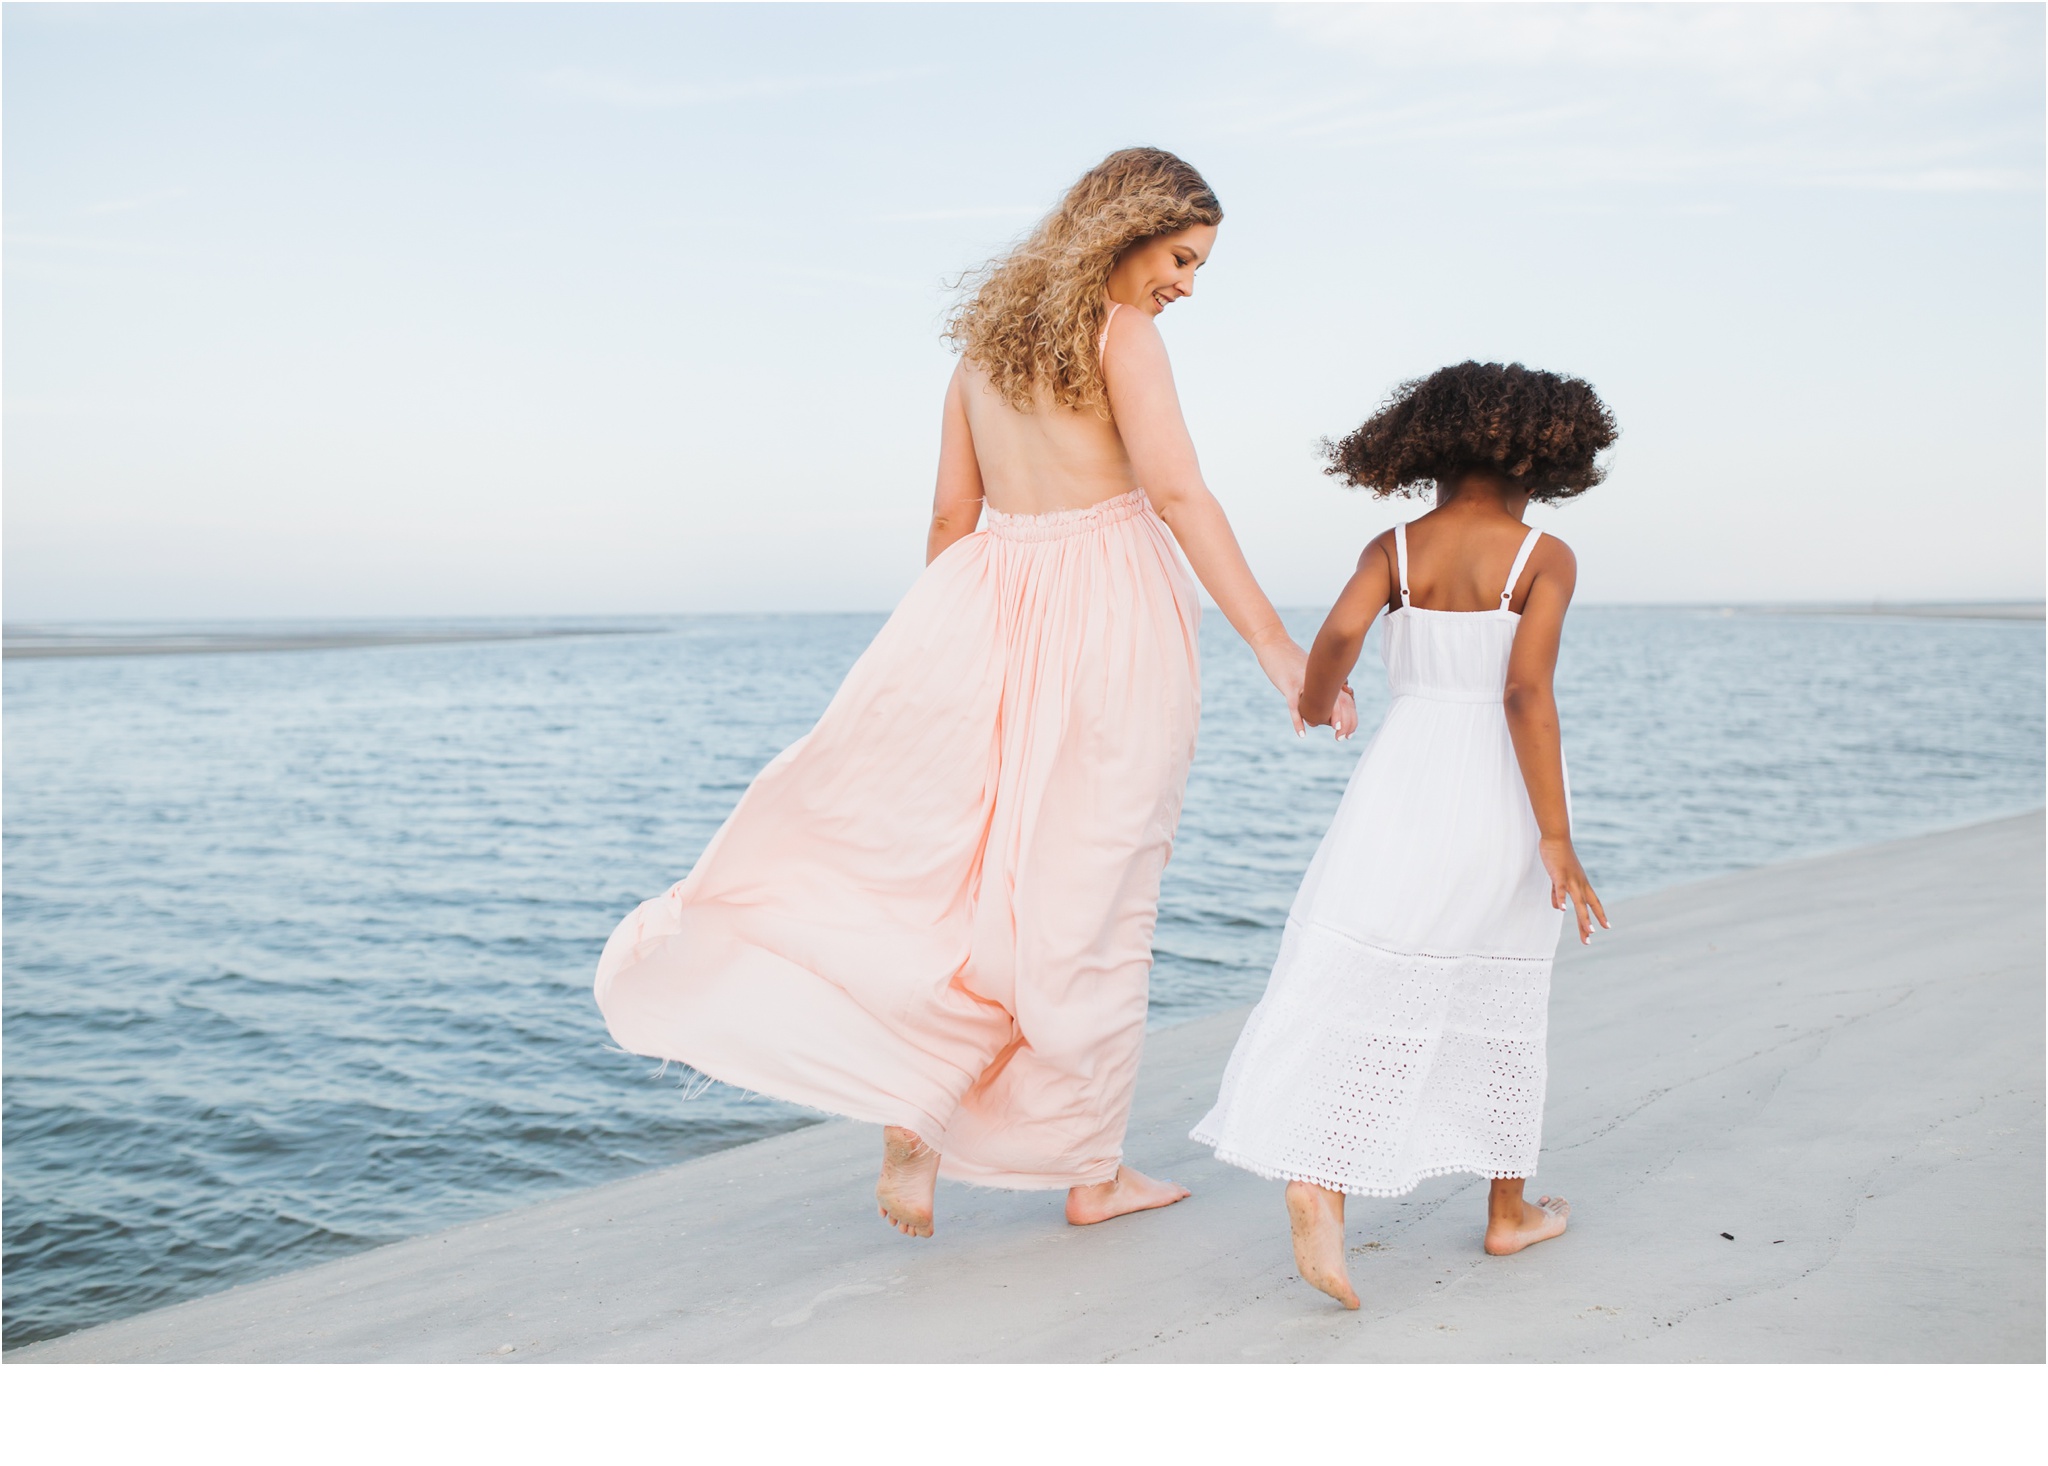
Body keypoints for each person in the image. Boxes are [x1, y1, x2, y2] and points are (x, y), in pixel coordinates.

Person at [595, 147, 1354, 1238]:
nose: (1184, 284)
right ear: (1125, 231)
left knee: (974, 882)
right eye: (1181, 257)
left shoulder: (978, 352)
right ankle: (1090, 1169)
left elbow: (951, 523)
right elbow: (1178, 494)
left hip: (990, 612)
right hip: (1109, 625)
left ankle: (919, 1104)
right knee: (1092, 892)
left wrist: (931, 663)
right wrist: (1279, 648)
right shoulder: (1119, 334)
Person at [1191, 361, 1615, 1308]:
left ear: (1430, 443)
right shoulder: (1543, 555)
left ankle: (1322, 1178)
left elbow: (1336, 637)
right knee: (1502, 988)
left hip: (1401, 775)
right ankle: (1508, 1214)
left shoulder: (1394, 544)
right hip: (1497, 788)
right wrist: (1557, 837)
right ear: (1548, 456)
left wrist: (1318, 696)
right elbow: (1524, 693)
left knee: (1371, 970)